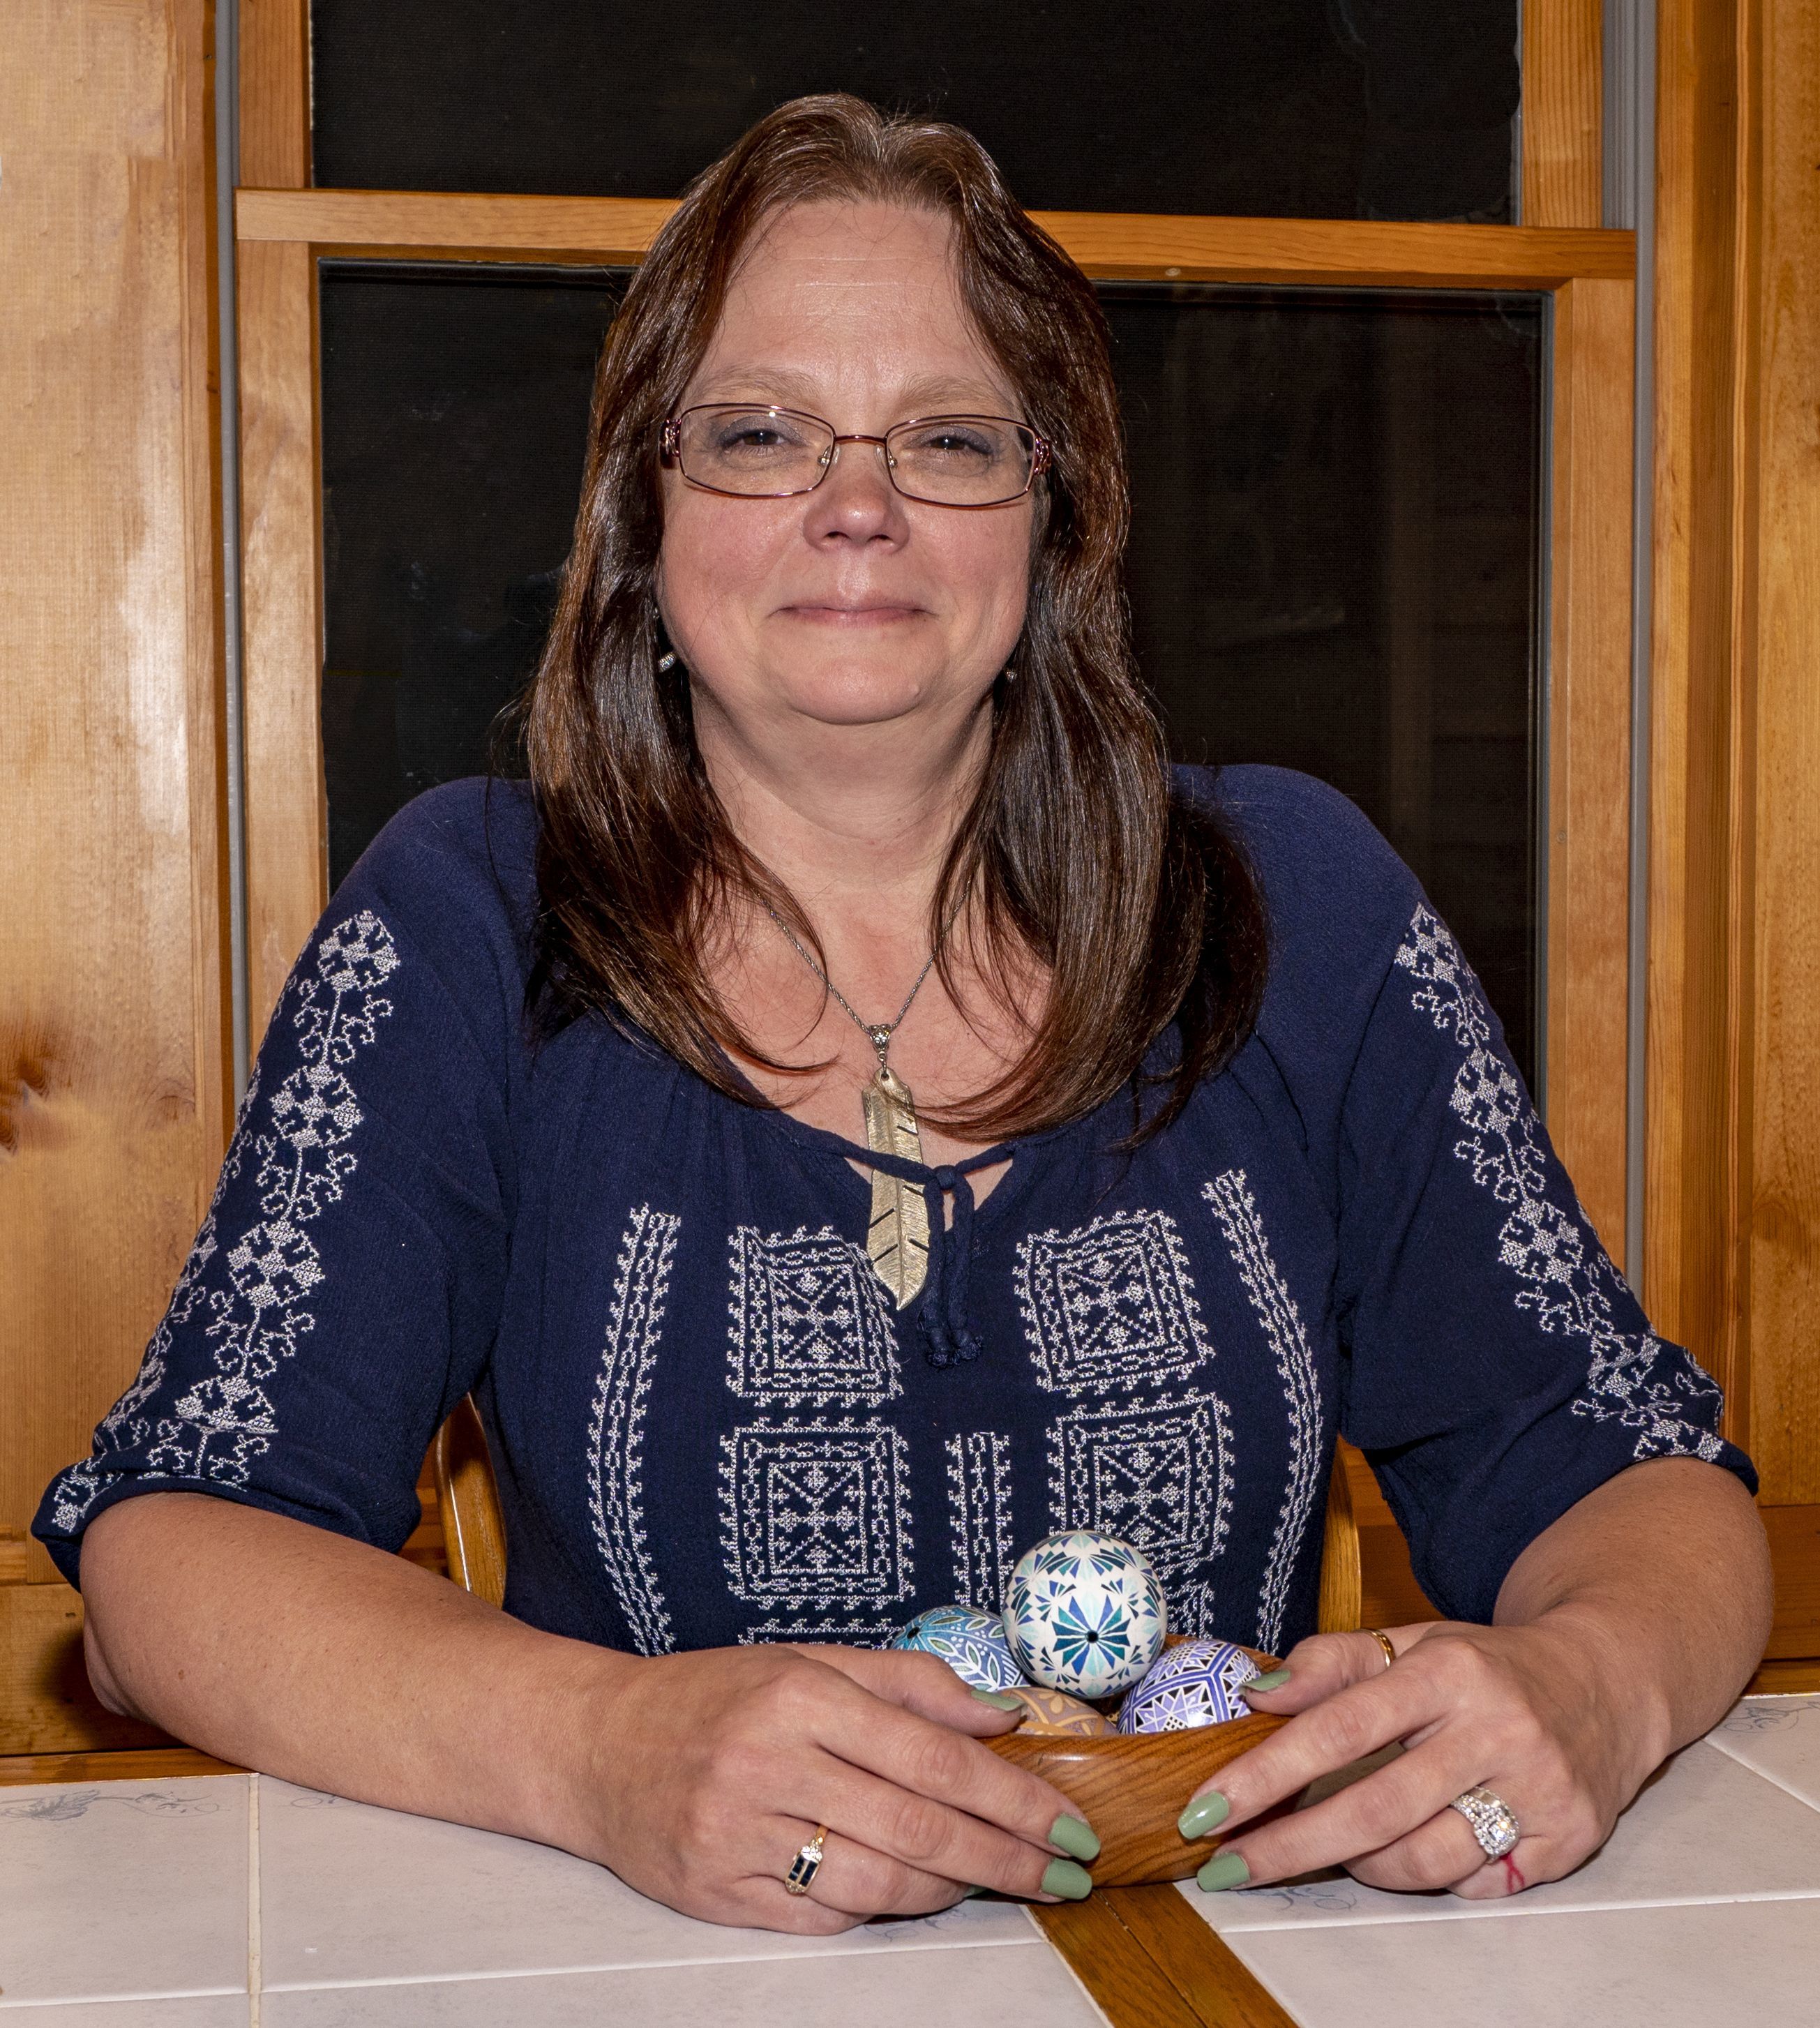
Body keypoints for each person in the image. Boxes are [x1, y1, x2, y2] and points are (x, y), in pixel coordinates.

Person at [38, 95, 1770, 1931]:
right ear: (644, 523)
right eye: (760, 432)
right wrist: (596, 1745)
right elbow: (171, 1559)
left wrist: (1590, 1688)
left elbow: (1634, 1474)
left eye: (947, 439)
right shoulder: (471, 921)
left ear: (1051, 515)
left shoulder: (1295, 908)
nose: (854, 503)